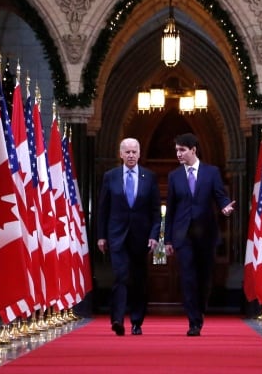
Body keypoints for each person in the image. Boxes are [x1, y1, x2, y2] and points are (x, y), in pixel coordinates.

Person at [164, 133, 235, 336]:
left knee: (204, 277)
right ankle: (193, 321)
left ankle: (201, 308)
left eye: (182, 150)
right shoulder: (174, 176)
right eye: (177, 150)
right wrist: (168, 238)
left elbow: (220, 196)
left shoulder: (211, 172)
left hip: (206, 233)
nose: (178, 153)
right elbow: (170, 209)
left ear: (193, 150)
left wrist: (225, 208)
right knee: (187, 276)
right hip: (182, 234)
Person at [96, 138, 162, 336]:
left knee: (138, 279)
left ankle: (136, 321)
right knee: (121, 276)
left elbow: (155, 211)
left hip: (141, 237)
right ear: (121, 154)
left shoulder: (149, 177)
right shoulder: (110, 176)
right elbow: (103, 209)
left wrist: (154, 235)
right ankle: (117, 319)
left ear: (139, 154)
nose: (131, 155)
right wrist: (101, 236)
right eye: (128, 152)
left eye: (134, 152)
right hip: (117, 236)